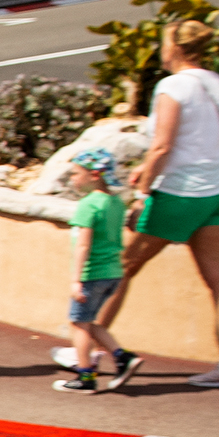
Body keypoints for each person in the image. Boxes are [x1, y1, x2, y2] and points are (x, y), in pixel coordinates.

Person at [96, 18, 219, 390]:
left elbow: (163, 147)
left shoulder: (173, 86)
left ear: (176, 48)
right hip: (218, 191)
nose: (160, 50)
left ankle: (89, 348)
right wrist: (147, 171)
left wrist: (143, 193)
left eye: (164, 43)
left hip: (179, 193)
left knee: (120, 266)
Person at [53, 149, 140, 393]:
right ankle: (123, 357)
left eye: (75, 174)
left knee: (78, 323)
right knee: (91, 322)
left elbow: (83, 245)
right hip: (113, 271)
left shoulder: (88, 205)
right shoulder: (115, 203)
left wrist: (76, 280)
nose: (72, 179)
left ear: (94, 175)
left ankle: (85, 376)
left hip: (92, 272)